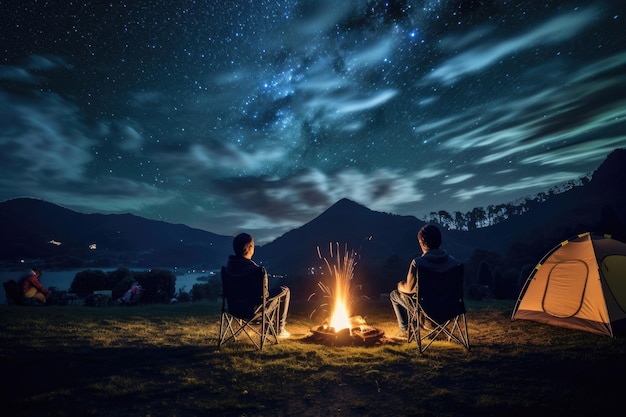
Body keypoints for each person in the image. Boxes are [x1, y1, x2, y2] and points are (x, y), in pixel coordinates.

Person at [390, 224, 461, 340]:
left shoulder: (418, 263)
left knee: (394, 295)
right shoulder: (455, 263)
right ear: (439, 241)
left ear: (422, 242)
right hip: (450, 313)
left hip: (427, 315)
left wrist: (400, 285)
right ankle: (441, 330)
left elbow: (409, 288)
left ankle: (405, 329)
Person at [226, 232, 291, 338]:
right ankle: (279, 330)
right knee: (284, 290)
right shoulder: (257, 271)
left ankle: (268, 328)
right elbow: (264, 297)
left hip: (233, 309)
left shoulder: (229, 269)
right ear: (250, 247)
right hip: (253, 313)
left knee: (263, 298)